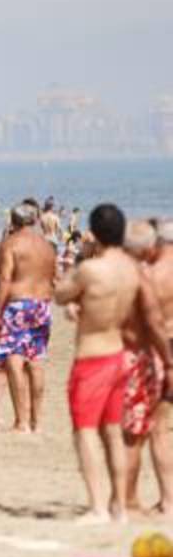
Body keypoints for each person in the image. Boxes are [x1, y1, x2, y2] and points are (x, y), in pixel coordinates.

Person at [54, 204, 165, 524]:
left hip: (92, 356)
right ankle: (119, 507)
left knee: (85, 431)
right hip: (119, 355)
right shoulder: (133, 269)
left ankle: (98, 507)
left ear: (96, 233)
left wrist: (79, 260)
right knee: (113, 432)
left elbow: (61, 294)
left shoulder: (91, 269)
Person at [0, 203, 56, 432]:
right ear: (34, 221)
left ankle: (22, 422)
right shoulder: (47, 245)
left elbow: (5, 280)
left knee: (14, 360)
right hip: (42, 305)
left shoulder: (10, 244)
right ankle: (37, 422)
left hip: (18, 305)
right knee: (36, 362)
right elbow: (54, 278)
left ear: (13, 223)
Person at [119, 220, 173, 516]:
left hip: (162, 348)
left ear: (157, 245)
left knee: (157, 429)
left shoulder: (151, 275)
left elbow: (145, 323)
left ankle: (167, 500)